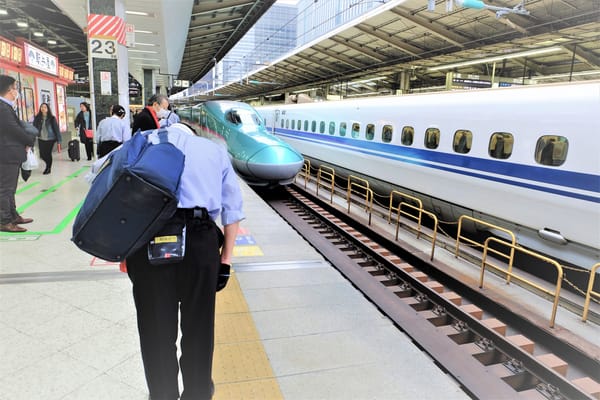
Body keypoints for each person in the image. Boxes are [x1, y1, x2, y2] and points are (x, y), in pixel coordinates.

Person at [125, 123, 244, 400]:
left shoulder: (141, 144)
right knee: (199, 329)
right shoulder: (213, 151)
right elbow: (232, 211)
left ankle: (162, 395)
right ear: (193, 132)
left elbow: (106, 186)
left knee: (155, 331)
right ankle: (198, 394)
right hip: (199, 242)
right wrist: (225, 260)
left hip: (148, 239)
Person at [0, 75, 35, 232]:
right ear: (9, 90)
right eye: (15, 88)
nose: (16, 91)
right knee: (5, 189)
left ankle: (13, 215)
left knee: (11, 188)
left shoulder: (6, 107)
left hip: (10, 154)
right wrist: (29, 140)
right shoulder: (2, 108)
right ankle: (4, 220)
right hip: (6, 154)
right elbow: (13, 129)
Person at [32, 102, 61, 174]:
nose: (43, 108)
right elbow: (34, 127)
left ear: (48, 109)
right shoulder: (37, 118)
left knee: (48, 154)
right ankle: (48, 165)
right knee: (42, 154)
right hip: (41, 138)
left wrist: (59, 141)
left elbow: (56, 129)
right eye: (42, 107)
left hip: (50, 139)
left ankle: (48, 168)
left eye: (45, 107)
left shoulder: (52, 118)